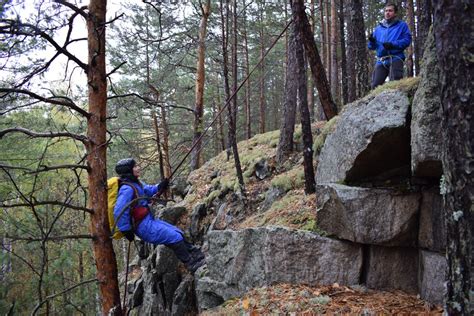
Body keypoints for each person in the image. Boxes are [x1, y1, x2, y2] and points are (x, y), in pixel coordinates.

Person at [113, 158, 205, 273]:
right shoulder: (127, 188)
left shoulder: (135, 183)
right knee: (174, 237)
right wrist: (126, 230)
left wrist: (160, 186)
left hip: (148, 220)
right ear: (129, 171)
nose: (138, 168)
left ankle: (194, 253)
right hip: (143, 227)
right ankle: (191, 264)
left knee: (177, 232)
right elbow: (119, 211)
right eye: (135, 166)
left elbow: (147, 190)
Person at [368, 3, 412, 89]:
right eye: (386, 11)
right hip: (381, 60)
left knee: (395, 85)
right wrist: (371, 41)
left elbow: (407, 40)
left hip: (396, 58)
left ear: (395, 13)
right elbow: (371, 47)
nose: (387, 13)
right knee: (374, 86)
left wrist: (392, 44)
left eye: (390, 11)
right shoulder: (378, 28)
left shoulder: (402, 25)